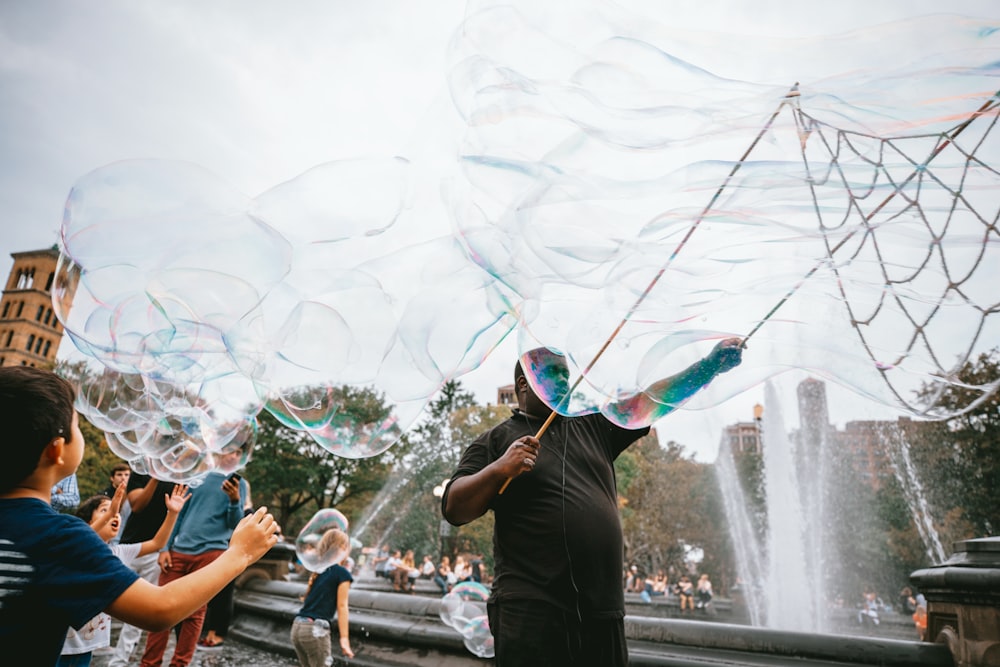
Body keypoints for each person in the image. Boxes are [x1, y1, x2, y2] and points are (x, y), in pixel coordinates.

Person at [442, 339, 742, 666]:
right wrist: (499, 468)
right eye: (553, 375)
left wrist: (710, 366)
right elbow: (455, 508)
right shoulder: (496, 440)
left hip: (602, 613)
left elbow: (651, 400)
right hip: (532, 612)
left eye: (566, 375)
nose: (564, 383)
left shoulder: (594, 426)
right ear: (522, 384)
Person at [0, 366, 279, 667]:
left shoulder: (56, 540)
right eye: (77, 427)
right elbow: (159, 610)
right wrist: (240, 553)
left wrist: (89, 535)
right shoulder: (58, 538)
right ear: (57, 451)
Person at [59, 483, 189, 667]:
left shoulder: (119, 552)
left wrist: (173, 513)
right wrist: (110, 511)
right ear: (89, 521)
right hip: (60, 643)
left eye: (118, 512)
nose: (115, 515)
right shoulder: (77, 548)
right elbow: (83, 537)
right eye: (105, 510)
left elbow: (157, 543)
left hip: (87, 645)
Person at [139, 457, 251, 667]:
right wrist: (165, 548)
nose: (233, 455)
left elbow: (235, 524)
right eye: (229, 450)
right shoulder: (197, 476)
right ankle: (149, 663)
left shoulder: (239, 484)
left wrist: (235, 500)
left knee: (195, 613)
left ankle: (180, 664)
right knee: (158, 608)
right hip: (179, 551)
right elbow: (179, 515)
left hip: (212, 552)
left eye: (237, 452)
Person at [107, 473, 178, 667]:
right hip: (129, 546)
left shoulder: (179, 475)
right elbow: (137, 505)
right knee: (104, 600)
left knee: (138, 613)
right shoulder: (141, 471)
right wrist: (156, 476)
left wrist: (166, 548)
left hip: (155, 550)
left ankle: (118, 662)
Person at [199, 478, 256, 650]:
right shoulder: (229, 502)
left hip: (231, 552)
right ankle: (209, 632)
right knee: (213, 595)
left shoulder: (248, 510)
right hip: (221, 549)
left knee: (224, 595)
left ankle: (217, 634)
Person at [291, 529, 355, 666]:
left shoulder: (319, 570)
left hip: (298, 627)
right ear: (343, 548)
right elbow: (342, 606)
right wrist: (344, 639)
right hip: (315, 629)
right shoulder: (342, 573)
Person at [102, 462, 132, 545]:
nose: (123, 478)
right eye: (119, 475)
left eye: (127, 475)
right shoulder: (104, 496)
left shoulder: (133, 495)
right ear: (112, 478)